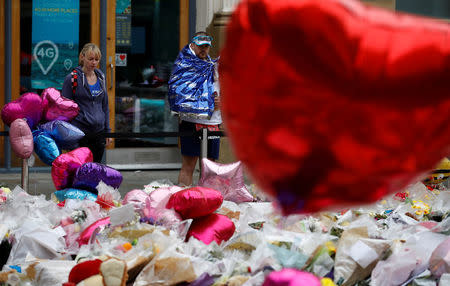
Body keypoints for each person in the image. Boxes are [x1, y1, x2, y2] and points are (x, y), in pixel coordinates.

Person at [168, 32, 222, 186]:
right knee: (188, 165)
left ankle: (207, 202)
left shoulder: (215, 67)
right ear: (192, 46)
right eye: (200, 46)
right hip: (190, 122)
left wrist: (220, 103)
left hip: (213, 123)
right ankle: (183, 201)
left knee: (210, 168)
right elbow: (177, 94)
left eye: (206, 46)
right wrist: (207, 103)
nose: (203, 49)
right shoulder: (184, 66)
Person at [62, 43, 112, 163]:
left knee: (95, 169)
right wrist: (66, 135)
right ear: (82, 57)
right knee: (81, 169)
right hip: (80, 132)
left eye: (96, 59)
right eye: (90, 59)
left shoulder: (101, 77)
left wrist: (107, 131)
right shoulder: (72, 78)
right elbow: (64, 108)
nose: (94, 62)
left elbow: (104, 105)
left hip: (99, 132)